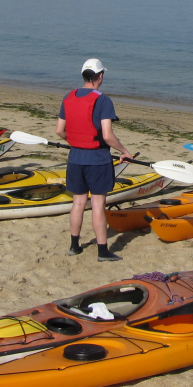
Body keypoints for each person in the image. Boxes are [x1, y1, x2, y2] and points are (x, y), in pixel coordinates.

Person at [58, 59, 133, 261]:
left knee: (78, 202)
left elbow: (59, 130)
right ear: (100, 76)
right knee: (98, 205)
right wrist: (124, 151)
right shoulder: (103, 101)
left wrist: (76, 142)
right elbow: (107, 136)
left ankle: (74, 246)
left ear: (84, 75)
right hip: (98, 160)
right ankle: (102, 251)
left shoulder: (68, 96)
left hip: (75, 159)